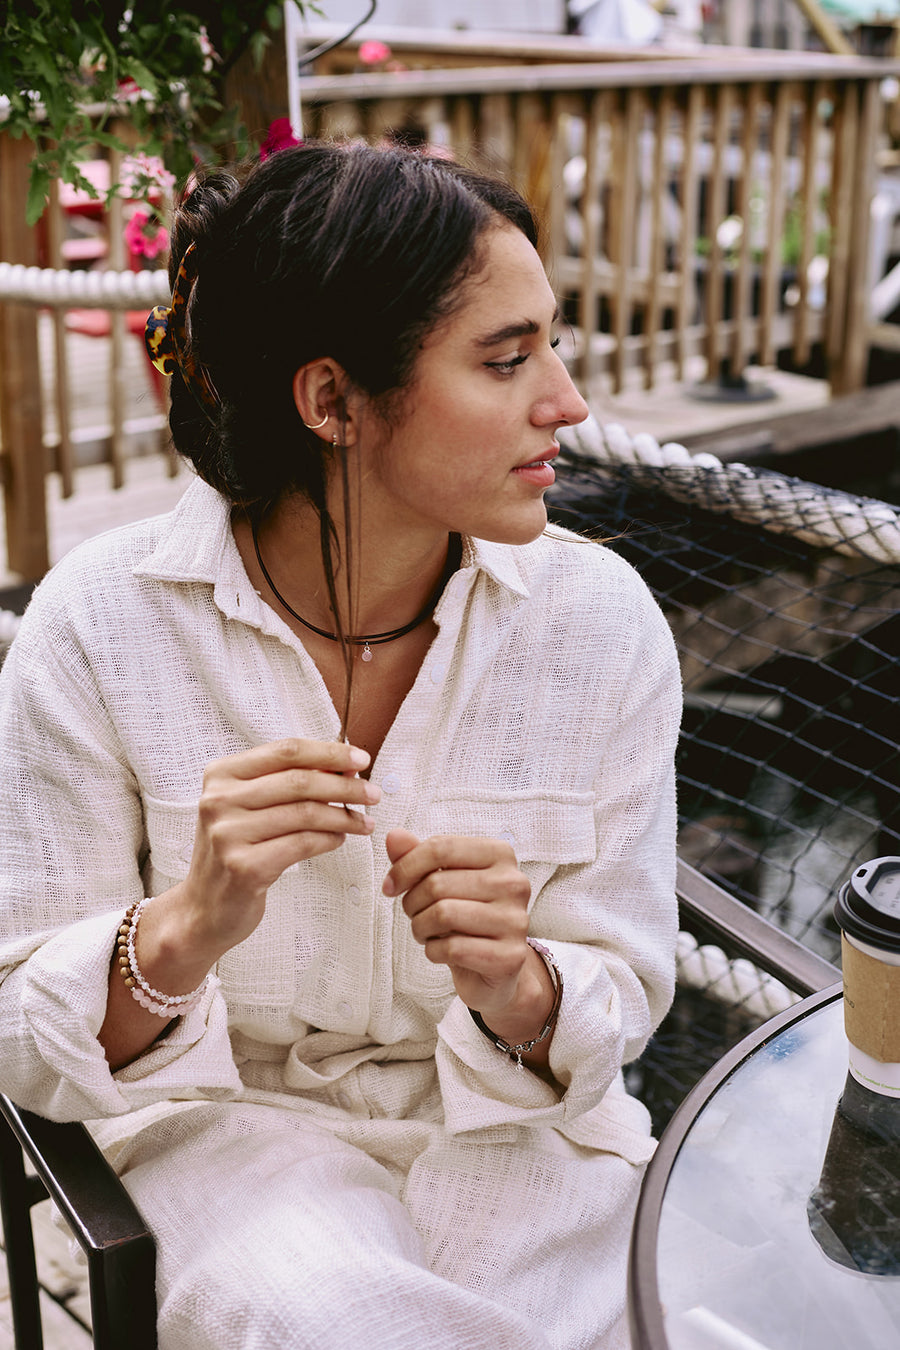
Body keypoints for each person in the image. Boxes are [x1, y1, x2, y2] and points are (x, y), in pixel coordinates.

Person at [0, 143, 682, 1350]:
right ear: (331, 403)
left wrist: (514, 984)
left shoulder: (603, 625)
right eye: (508, 358)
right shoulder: (100, 627)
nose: (569, 401)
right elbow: (17, 1033)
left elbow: (621, 986)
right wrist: (186, 927)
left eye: (555, 343)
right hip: (230, 1135)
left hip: (522, 1140)